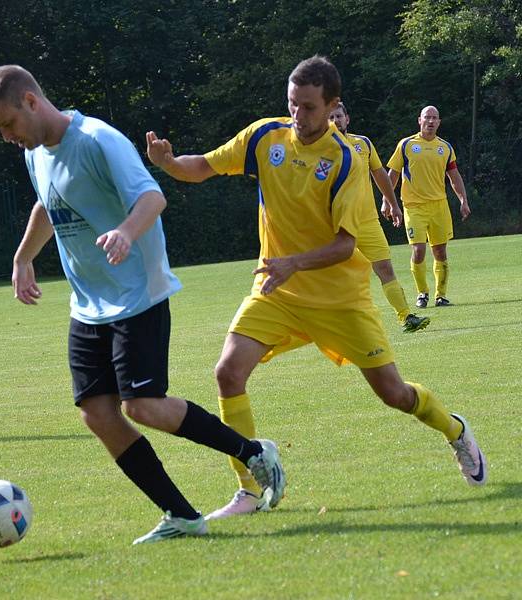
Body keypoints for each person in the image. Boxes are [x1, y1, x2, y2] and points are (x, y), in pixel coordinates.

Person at [146, 55, 486, 520]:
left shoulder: (345, 159)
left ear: (332, 106)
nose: (298, 116)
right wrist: (169, 163)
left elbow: (347, 246)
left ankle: (455, 430)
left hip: (339, 300)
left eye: (308, 107)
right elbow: (203, 166)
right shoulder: (266, 136)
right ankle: (248, 489)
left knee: (393, 394)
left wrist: (293, 263)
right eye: (292, 104)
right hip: (279, 292)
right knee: (227, 373)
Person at [0, 65, 285, 544]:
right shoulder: (36, 153)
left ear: (31, 101)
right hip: (87, 304)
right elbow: (47, 202)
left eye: (8, 125)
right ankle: (181, 514)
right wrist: (23, 258)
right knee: (97, 413)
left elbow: (151, 197)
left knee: (142, 405)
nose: (7, 137)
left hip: (137, 293)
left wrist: (124, 232)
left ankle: (252, 453)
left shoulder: (98, 139)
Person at [328, 102, 429, 333]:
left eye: (339, 116)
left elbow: (379, 173)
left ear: (347, 118)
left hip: (367, 221)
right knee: (341, 276)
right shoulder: (319, 148)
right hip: (337, 225)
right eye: (330, 117)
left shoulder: (363, 143)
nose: (335, 120)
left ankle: (406, 316)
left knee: (385, 268)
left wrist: (392, 203)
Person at [386, 106, 471, 308]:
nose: (430, 121)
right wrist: (386, 201)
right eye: (427, 118)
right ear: (419, 120)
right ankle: (422, 293)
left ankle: (440, 296)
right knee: (418, 250)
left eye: (434, 118)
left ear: (439, 122)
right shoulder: (406, 145)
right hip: (413, 206)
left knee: (440, 252)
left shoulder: (446, 147)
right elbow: (393, 174)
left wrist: (463, 200)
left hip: (439, 206)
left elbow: (454, 176)